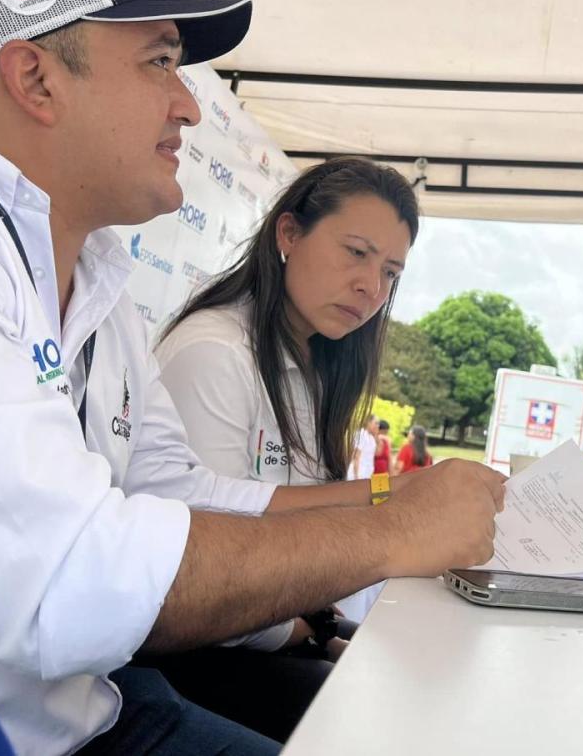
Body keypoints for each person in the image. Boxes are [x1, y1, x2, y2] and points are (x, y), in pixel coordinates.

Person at [0, 0, 504, 756]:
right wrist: (396, 530)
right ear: (36, 79)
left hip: (95, 709)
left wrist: (397, 500)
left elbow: (175, 491)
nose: (189, 103)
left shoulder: (94, 272)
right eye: (159, 62)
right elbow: (72, 583)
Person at [150, 156, 423, 735]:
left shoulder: (313, 366)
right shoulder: (216, 353)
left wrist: (322, 628)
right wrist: (314, 636)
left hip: (272, 632)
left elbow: (308, 544)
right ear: (289, 234)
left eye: (391, 273)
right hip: (195, 658)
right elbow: (204, 573)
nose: (371, 286)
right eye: (356, 252)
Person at [349, 414, 379, 480]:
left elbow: (377, 453)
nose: (378, 426)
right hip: (358, 474)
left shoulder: (371, 437)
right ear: (368, 422)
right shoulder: (361, 434)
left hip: (367, 474)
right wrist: (356, 476)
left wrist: (376, 436)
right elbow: (356, 456)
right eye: (376, 423)